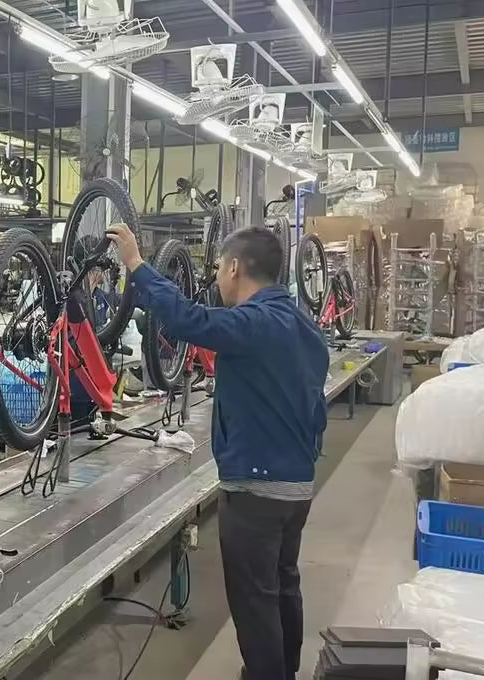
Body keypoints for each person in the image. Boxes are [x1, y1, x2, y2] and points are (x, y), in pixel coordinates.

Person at [107, 224, 328, 680]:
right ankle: (284, 672)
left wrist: (137, 265)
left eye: (219, 266)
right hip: (296, 485)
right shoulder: (303, 324)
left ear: (234, 267)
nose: (218, 275)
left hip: (256, 488)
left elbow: (189, 321)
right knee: (282, 584)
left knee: (255, 600)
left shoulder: (255, 323)